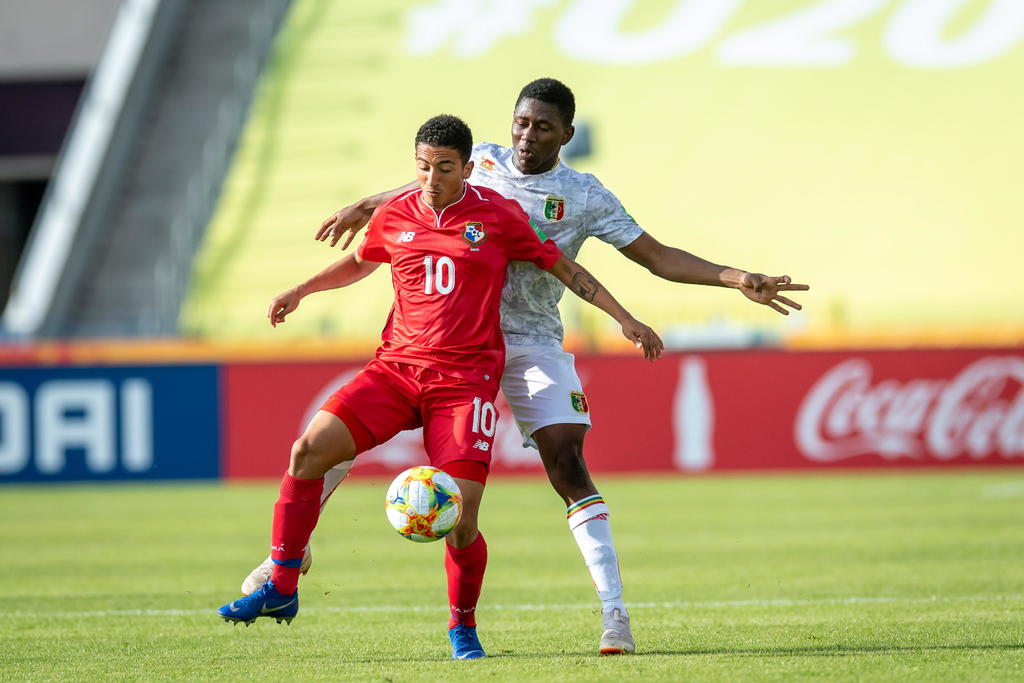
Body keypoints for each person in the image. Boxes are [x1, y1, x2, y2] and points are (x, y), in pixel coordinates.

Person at [242, 78, 809, 655]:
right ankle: (286, 558)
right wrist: (363, 206)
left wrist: (735, 278)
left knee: (566, 462)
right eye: (521, 122)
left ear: (566, 133)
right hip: (447, 342)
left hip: (529, 341)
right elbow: (423, 184)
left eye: (542, 127)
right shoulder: (481, 161)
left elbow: (657, 256)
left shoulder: (584, 195)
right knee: (334, 440)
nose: (527, 135)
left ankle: (614, 614)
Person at [216, 114, 663, 661]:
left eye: (445, 168)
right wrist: (301, 290)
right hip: (396, 371)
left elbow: (564, 268)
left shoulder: (498, 215)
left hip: (463, 384)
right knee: (308, 451)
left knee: (461, 517)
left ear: (468, 169)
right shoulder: (396, 213)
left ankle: (462, 628)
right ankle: (282, 585)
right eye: (424, 167)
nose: (431, 179)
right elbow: (358, 262)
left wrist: (624, 317)